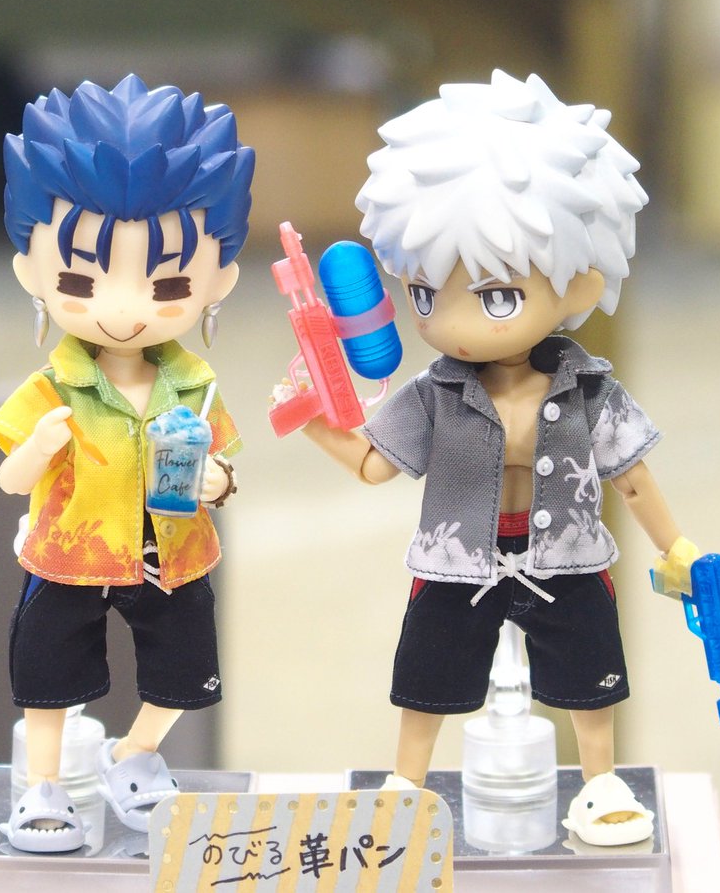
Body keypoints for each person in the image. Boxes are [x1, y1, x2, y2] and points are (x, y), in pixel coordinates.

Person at [290, 70, 696, 847]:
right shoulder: (436, 393)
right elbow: (374, 465)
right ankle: (407, 782)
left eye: (496, 297)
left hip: (567, 555)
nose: (450, 324)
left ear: (579, 281)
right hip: (458, 560)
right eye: (423, 294)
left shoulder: (588, 390)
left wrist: (677, 547)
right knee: (427, 675)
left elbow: (633, 478)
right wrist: (313, 418)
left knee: (589, 673)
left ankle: (599, 780)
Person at [0, 74, 253, 851]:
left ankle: (135, 753)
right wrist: (38, 450)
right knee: (46, 674)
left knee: (186, 670)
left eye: (168, 283)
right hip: (70, 554)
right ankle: (43, 787)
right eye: (80, 280)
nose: (126, 307)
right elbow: (9, 478)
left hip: (170, 552)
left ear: (219, 282)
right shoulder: (52, 385)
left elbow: (224, 464)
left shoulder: (197, 386)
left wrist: (217, 481)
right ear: (31, 273)